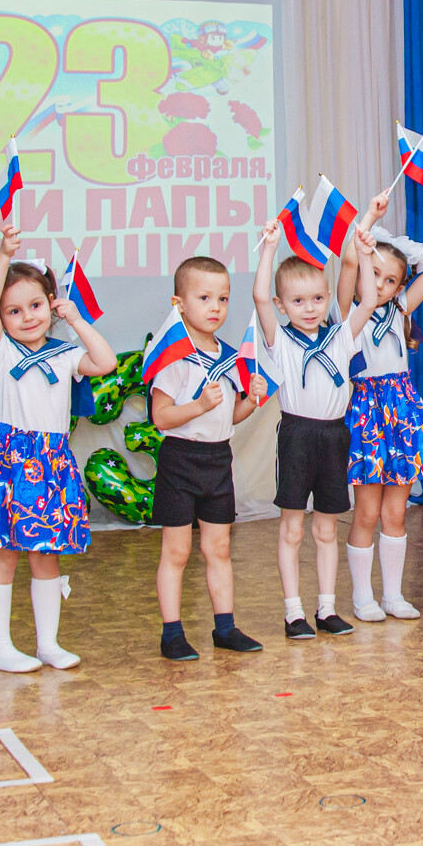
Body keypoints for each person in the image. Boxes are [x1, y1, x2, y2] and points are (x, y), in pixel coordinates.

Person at [0, 222, 117, 672]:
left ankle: (48, 644)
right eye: (13, 311)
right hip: (9, 461)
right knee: (3, 552)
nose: (27, 317)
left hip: (51, 462)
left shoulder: (65, 353)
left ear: (50, 304)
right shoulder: (0, 352)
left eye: (35, 305)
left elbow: (105, 361)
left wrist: (75, 320)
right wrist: (3, 254)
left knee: (46, 554)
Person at [251, 221, 381, 639]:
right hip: (296, 436)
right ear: (281, 304)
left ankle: (327, 609)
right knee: (292, 528)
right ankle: (294, 613)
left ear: (328, 297)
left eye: (318, 298)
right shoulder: (280, 339)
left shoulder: (340, 337)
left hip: (334, 438)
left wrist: (364, 254)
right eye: (298, 300)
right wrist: (269, 248)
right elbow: (258, 297)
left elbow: (369, 299)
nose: (309, 308)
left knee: (326, 528)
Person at [336, 191, 423, 621]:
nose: (380, 286)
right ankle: (362, 597)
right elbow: (349, 263)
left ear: (400, 287)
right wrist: (368, 219)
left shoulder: (400, 309)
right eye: (374, 275)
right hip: (368, 414)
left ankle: (393, 595)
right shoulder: (347, 313)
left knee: (396, 512)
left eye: (389, 280)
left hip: (402, 413)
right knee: (366, 512)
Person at [150, 256, 269, 660]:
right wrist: (199, 405)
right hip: (181, 460)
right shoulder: (174, 357)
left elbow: (230, 416)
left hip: (218, 460)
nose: (215, 307)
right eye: (204, 298)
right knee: (177, 552)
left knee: (218, 550)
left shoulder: (230, 359)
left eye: (223, 298)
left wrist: (252, 399)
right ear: (179, 303)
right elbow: (161, 417)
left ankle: (225, 628)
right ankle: (172, 634)